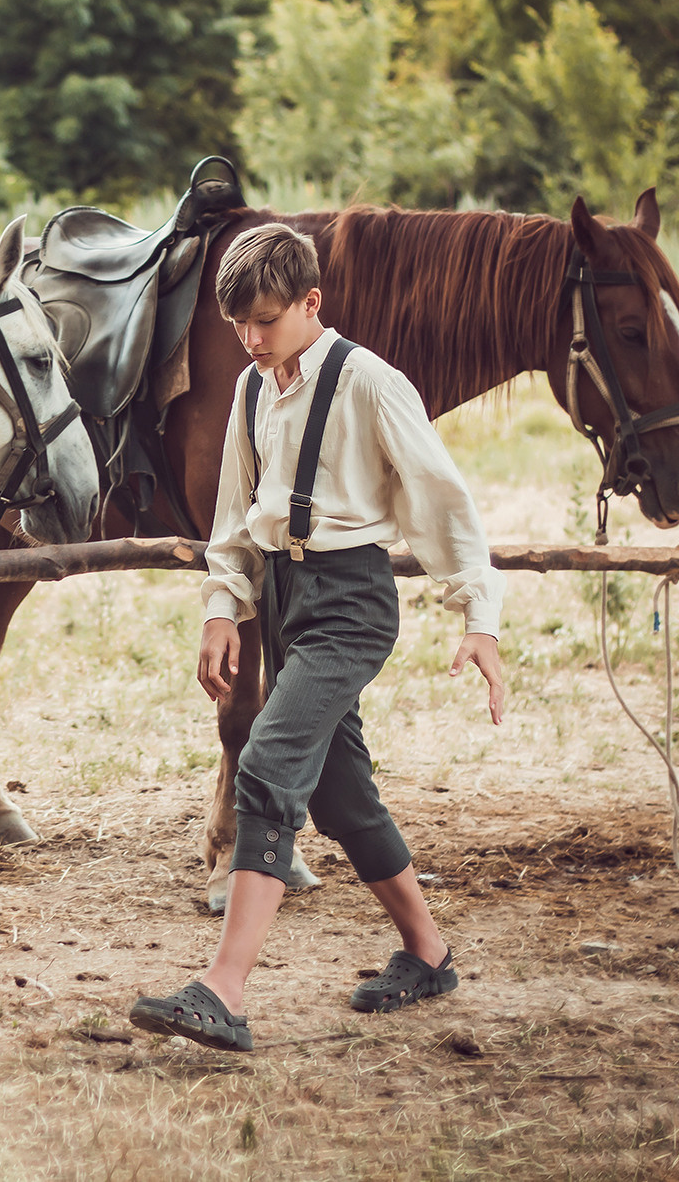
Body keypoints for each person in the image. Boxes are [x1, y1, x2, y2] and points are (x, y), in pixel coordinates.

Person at [129, 223, 507, 1053]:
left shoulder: (372, 383)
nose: (252, 341)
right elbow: (235, 512)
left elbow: (446, 503)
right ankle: (429, 954)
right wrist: (222, 608)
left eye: (266, 320)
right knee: (341, 795)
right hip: (285, 592)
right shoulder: (251, 389)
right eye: (238, 327)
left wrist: (479, 618)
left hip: (351, 601)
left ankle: (221, 991)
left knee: (265, 761)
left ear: (311, 302)